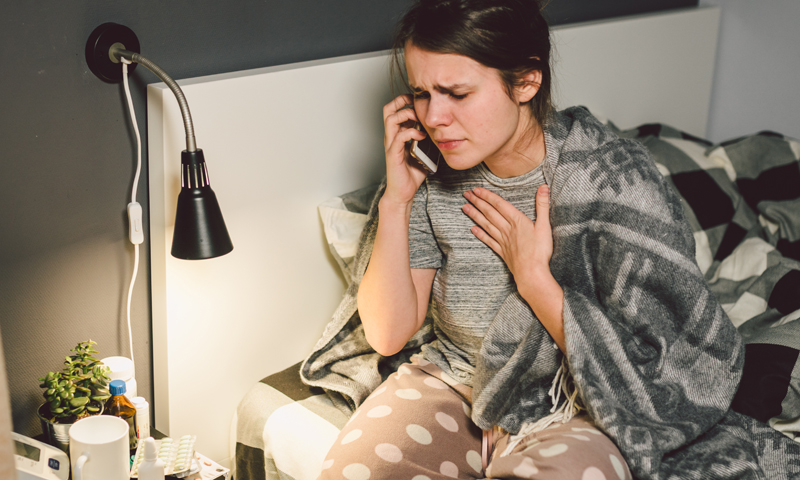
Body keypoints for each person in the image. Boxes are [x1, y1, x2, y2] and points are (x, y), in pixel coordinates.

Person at [309, 0, 753, 478]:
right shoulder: (426, 175)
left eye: (457, 93)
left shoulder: (609, 178)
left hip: (571, 400)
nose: (435, 117)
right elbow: (388, 333)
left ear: (526, 82)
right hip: (453, 381)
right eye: (421, 92)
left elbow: (659, 355)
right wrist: (395, 202)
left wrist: (535, 280)